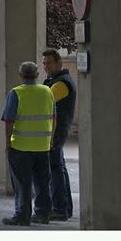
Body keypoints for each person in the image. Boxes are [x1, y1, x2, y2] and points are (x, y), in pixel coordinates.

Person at [1, 61, 56, 226]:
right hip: (42, 146)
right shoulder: (47, 91)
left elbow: (9, 120)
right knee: (42, 182)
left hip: (21, 146)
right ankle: (43, 214)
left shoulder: (16, 93)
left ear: (20, 75)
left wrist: (7, 143)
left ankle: (22, 215)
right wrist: (51, 139)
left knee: (23, 183)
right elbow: (54, 117)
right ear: (37, 75)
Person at [42, 48, 77, 221]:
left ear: (58, 63)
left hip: (56, 131)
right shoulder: (53, 80)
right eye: (43, 63)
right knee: (58, 169)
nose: (45, 66)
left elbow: (45, 99)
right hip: (53, 130)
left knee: (54, 170)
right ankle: (64, 208)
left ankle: (60, 208)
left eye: (48, 63)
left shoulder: (62, 83)